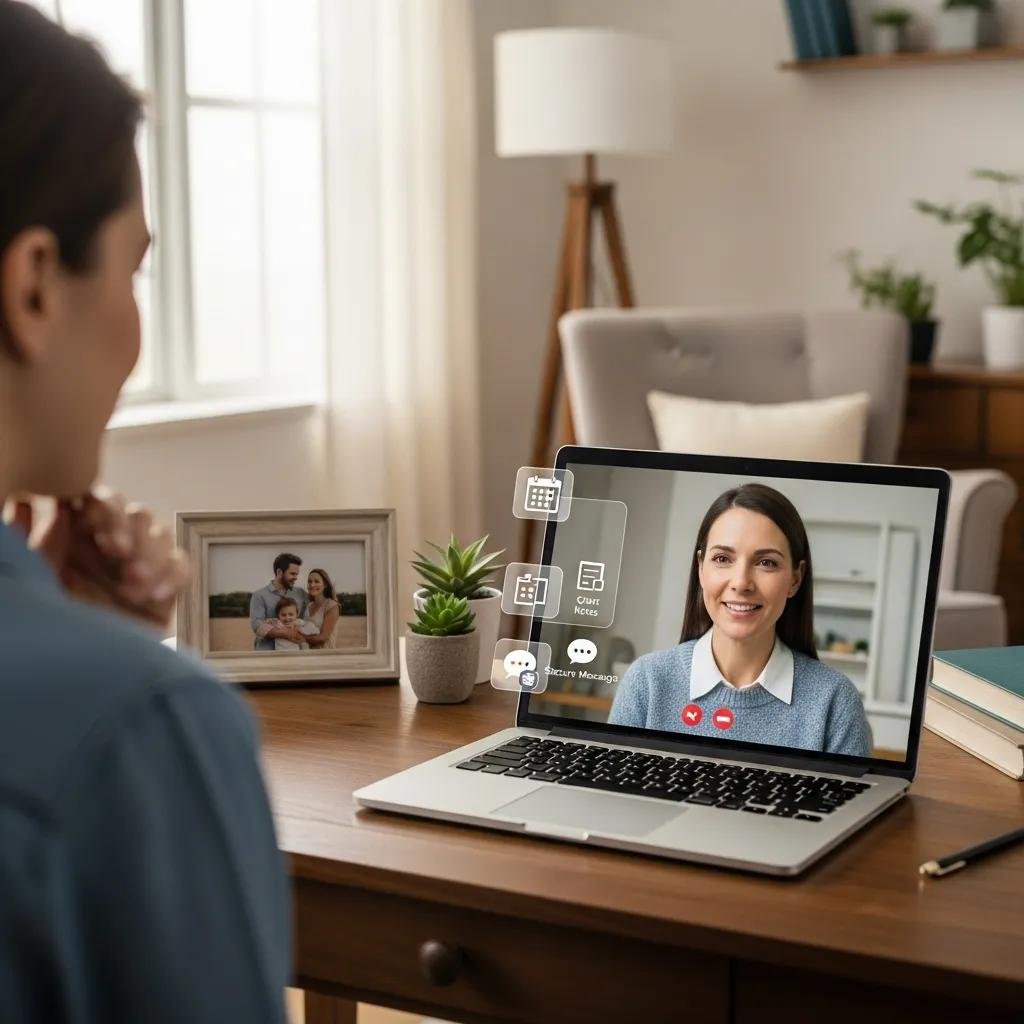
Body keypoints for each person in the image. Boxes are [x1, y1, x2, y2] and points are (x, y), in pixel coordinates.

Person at [0, 4, 288, 1021]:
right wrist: (102, 672)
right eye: (135, 267)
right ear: (34, 286)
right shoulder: (144, 730)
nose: (135, 326)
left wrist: (65, 628)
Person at [609, 483, 871, 758]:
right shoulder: (647, 681)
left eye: (766, 562)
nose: (741, 582)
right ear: (700, 567)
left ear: (796, 578)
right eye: (722, 558)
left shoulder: (836, 701)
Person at [250, 551, 309, 650]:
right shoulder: (259, 595)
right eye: (292, 574)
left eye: (297, 574)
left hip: (295, 653)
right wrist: (288, 633)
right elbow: (257, 625)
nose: (296, 578)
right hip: (267, 653)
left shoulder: (300, 593)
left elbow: (308, 618)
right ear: (279, 572)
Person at [303, 567, 341, 650]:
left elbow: (323, 638)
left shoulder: (332, 606)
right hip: (308, 654)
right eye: (309, 581)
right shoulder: (309, 606)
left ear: (325, 585)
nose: (312, 585)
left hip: (324, 654)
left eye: (316, 581)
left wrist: (299, 638)